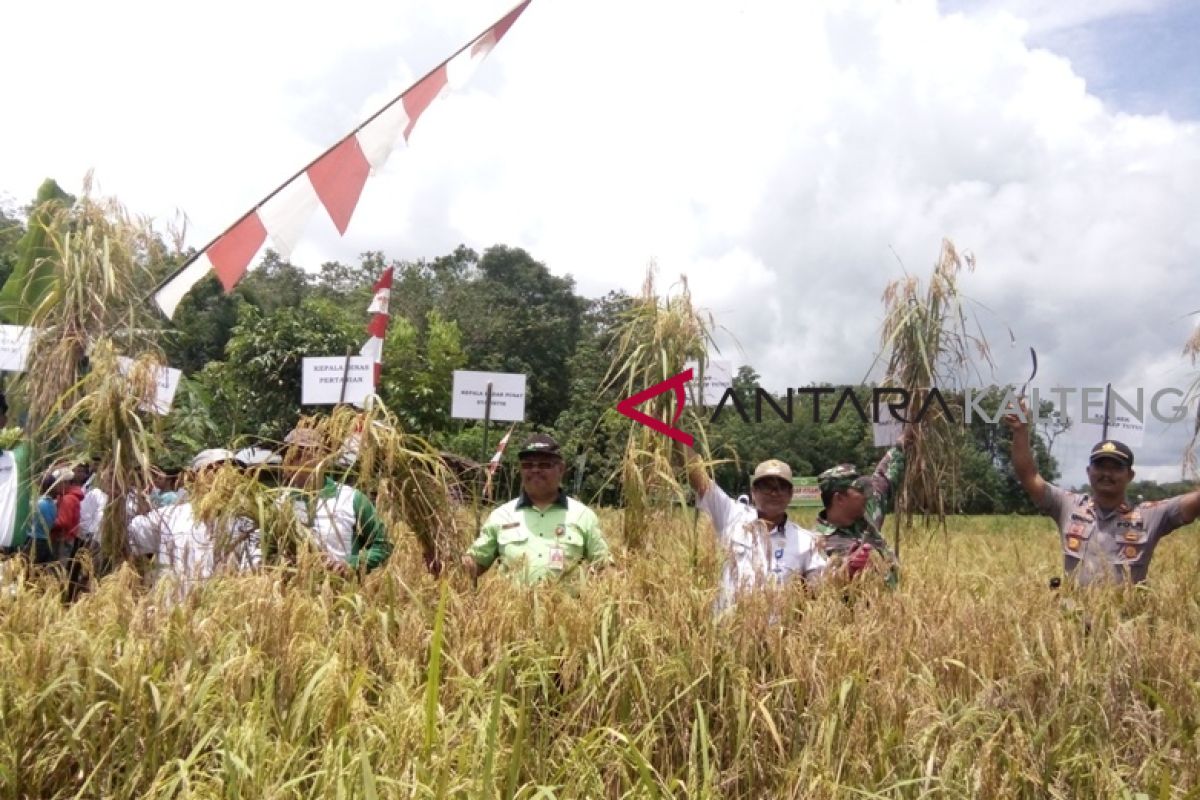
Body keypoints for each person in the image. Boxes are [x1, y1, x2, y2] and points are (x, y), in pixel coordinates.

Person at [1006, 406, 1200, 585]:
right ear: (1088, 471)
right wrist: (1020, 431)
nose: (1107, 474)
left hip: (1127, 620)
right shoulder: (1069, 505)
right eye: (1100, 466)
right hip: (1072, 618)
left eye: (1116, 468)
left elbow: (1194, 502)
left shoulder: (1150, 515)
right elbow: (1028, 476)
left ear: (1130, 475)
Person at [463, 433, 610, 586]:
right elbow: (474, 564)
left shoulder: (583, 516)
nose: (535, 470)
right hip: (513, 608)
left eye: (544, 465)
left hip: (567, 608)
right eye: (528, 465)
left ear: (561, 469)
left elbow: (605, 570)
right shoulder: (501, 516)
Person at [686, 450, 826, 610]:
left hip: (777, 634)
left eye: (781, 488)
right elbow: (697, 473)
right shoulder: (731, 515)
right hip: (726, 631)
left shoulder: (806, 541)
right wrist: (672, 431)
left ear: (790, 494)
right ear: (753, 492)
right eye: (767, 487)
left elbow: (819, 590)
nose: (774, 493)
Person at [128, 448, 261, 600]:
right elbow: (128, 538)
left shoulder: (247, 526)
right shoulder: (169, 516)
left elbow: (253, 575)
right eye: (214, 472)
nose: (224, 479)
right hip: (172, 616)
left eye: (232, 473)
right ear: (195, 478)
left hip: (222, 616)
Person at [280, 427, 392, 575]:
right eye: (287, 455)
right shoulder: (281, 504)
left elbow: (383, 545)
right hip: (296, 594)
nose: (294, 460)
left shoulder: (350, 498)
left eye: (302, 453)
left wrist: (351, 564)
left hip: (344, 592)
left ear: (322, 457)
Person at [814, 429, 909, 587]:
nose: (867, 495)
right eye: (860, 491)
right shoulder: (816, 544)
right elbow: (822, 593)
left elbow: (884, 478)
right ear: (840, 499)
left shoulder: (867, 513)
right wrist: (847, 571)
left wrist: (902, 443)